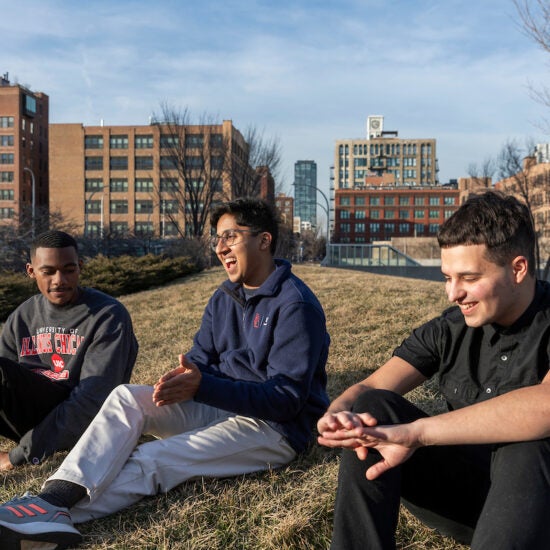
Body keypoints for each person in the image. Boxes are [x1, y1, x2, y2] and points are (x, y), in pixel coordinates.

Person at [0, 198, 330, 548]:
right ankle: (51, 499)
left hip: (273, 430)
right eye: (217, 239)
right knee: (127, 396)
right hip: (219, 408)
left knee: (153, 458)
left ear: (264, 240)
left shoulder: (295, 304)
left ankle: (55, 518)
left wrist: (203, 386)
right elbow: (201, 359)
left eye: (230, 237)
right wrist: (183, 380)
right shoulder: (225, 297)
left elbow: (286, 401)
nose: (220, 248)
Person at [318, 190, 550, 550]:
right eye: (447, 277)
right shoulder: (450, 328)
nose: (453, 293)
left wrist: (417, 432)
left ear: (518, 268)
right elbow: (371, 387)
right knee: (373, 411)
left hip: (540, 508)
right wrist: (338, 415)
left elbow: (544, 405)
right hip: (472, 501)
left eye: (469, 278)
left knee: (527, 445)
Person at [0, 230, 138, 472]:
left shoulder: (107, 315)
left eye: (69, 269)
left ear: (80, 267)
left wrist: (18, 455)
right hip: (32, 415)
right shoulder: (22, 316)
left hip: (81, 419)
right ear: (31, 271)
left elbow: (93, 400)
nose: (60, 280)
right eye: (48, 271)